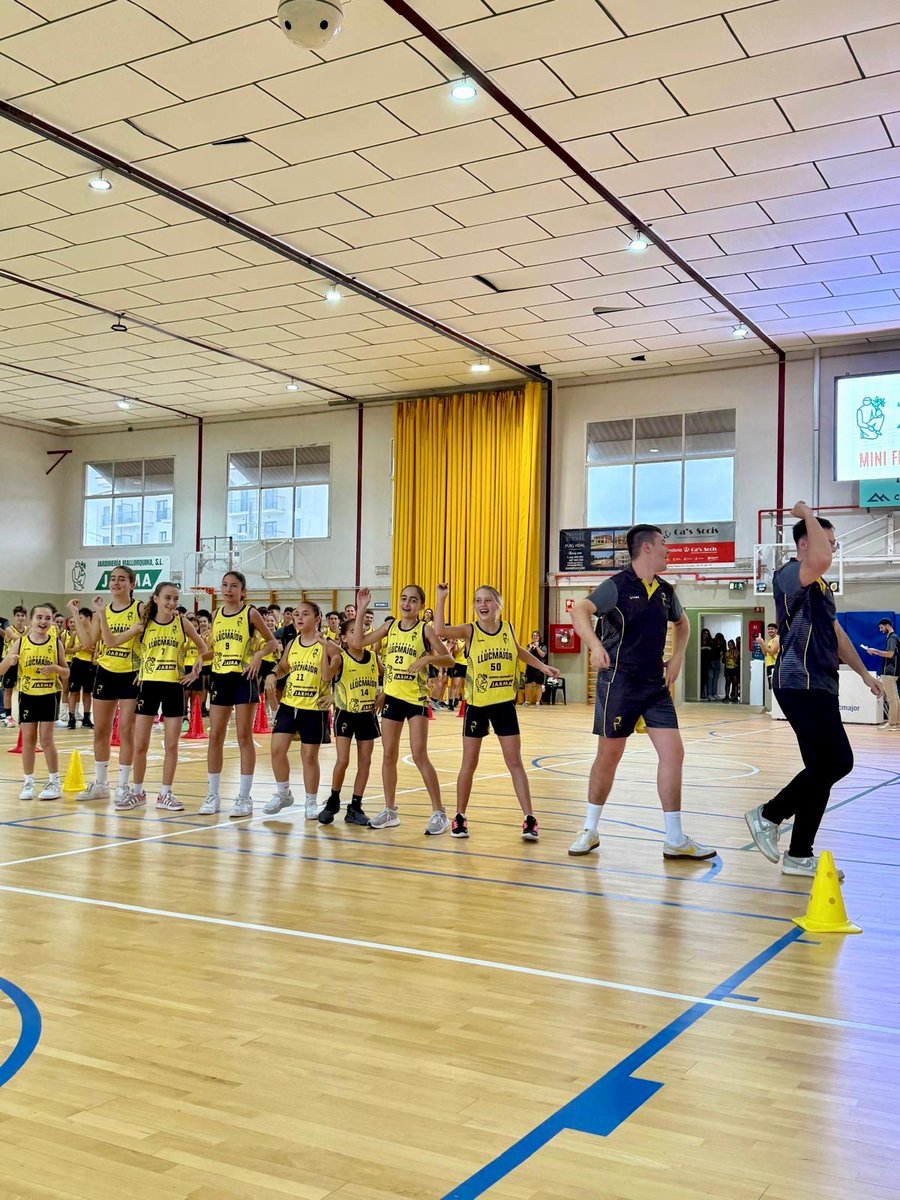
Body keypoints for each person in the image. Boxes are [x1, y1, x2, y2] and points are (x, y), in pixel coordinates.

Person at [745, 503, 882, 877]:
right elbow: (820, 556)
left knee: (820, 768)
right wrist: (806, 512)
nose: (832, 550)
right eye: (828, 542)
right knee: (839, 761)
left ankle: (799, 853)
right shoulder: (790, 575)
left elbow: (837, 636)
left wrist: (865, 675)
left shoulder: (820, 587)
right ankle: (768, 814)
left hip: (819, 683)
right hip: (797, 680)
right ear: (804, 543)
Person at [568, 524, 717, 860]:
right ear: (647, 548)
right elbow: (580, 610)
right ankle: (589, 829)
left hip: (655, 685)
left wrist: (677, 656)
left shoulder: (665, 590)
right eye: (664, 544)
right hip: (619, 682)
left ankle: (675, 838)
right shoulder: (616, 586)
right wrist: (593, 645)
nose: (668, 550)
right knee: (609, 757)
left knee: (673, 753)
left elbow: (683, 623)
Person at [435, 583, 559, 840]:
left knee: (515, 762)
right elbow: (439, 630)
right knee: (469, 764)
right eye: (478, 600)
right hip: (477, 706)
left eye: (488, 600)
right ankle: (460, 816)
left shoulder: (508, 628)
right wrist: (441, 598)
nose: (482, 604)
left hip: (504, 704)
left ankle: (529, 818)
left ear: (498, 605)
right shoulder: (470, 630)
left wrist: (543, 667)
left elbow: (519, 652)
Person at [99, 581, 206, 811]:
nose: (172, 603)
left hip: (174, 687)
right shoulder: (143, 625)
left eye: (176, 599)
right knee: (140, 744)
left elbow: (204, 648)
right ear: (156, 599)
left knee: (171, 746)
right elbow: (110, 642)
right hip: (147, 686)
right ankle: (137, 792)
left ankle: (165, 793)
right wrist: (100, 614)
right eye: (167, 598)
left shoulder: (183, 623)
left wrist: (198, 663)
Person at [357, 584, 454, 832]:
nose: (406, 603)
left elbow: (449, 659)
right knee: (388, 755)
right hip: (392, 698)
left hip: (416, 700)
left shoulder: (426, 630)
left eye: (412, 600)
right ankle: (390, 810)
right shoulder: (390, 626)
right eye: (403, 598)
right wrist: (361, 610)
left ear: (421, 606)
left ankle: (439, 813)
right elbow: (358, 642)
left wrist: (428, 658)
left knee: (419, 754)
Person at [198, 571, 278, 818]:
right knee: (215, 737)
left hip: (244, 678)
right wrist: (201, 658)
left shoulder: (250, 613)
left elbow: (272, 643)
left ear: (242, 590)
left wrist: (257, 656)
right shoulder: (216, 615)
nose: (228, 589)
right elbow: (217, 650)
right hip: (220, 678)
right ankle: (213, 795)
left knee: (244, 736)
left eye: (234, 586)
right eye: (224, 585)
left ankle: (244, 797)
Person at [68, 566, 143, 805]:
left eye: (122, 579)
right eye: (112, 579)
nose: (116, 583)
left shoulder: (140, 609)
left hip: (131, 674)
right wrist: (75, 613)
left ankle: (123, 786)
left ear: (132, 584)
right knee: (101, 730)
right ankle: (101, 784)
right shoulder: (103, 611)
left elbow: (125, 640)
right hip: (105, 673)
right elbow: (89, 643)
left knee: (126, 731)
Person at [263, 601, 340, 818]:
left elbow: (340, 672)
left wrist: (334, 696)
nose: (299, 617)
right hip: (289, 704)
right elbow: (283, 667)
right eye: (296, 613)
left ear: (317, 620)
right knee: (277, 750)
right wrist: (272, 673)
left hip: (314, 707)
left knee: (309, 756)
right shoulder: (292, 643)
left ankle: (311, 802)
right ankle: (283, 793)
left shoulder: (329, 645)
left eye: (305, 614)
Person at [317, 610, 381, 826]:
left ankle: (355, 806)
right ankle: (333, 800)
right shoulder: (341, 658)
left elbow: (389, 677)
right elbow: (326, 677)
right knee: (343, 760)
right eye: (353, 632)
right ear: (343, 638)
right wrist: (325, 651)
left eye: (362, 631)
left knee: (365, 761)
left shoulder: (373, 658)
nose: (359, 635)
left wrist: (383, 694)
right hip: (345, 714)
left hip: (367, 715)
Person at [0, 604, 69, 800]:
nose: (43, 621)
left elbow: (67, 673)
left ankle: (54, 781)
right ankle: (28, 782)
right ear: (31, 620)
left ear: (52, 622)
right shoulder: (20, 643)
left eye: (47, 618)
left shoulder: (56, 644)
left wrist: (56, 668)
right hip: (27, 696)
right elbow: (1, 670)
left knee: (47, 741)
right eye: (39, 617)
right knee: (28, 741)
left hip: (48, 695)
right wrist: (10, 661)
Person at [862, 617, 899, 730]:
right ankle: (897, 722)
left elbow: (890, 654)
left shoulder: (892, 638)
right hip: (894, 671)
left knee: (892, 699)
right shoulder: (895, 637)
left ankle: (892, 723)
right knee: (896, 699)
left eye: (881, 627)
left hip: (889, 672)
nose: (880, 630)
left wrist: (875, 651)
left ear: (887, 625)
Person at [2, 605, 29, 727]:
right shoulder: (9, 629)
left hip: (22, 662)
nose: (20, 618)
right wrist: (31, 628)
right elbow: (19, 639)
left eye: (22, 615)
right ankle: (8, 716)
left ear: (26, 617)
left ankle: (23, 714)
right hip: (9, 661)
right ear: (14, 617)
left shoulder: (27, 628)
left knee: (23, 689)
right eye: (18, 615)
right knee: (9, 689)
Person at [522, 630, 548, 705]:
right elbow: (526, 655)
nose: (535, 637)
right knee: (528, 684)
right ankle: (527, 701)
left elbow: (542, 655)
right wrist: (530, 648)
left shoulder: (543, 646)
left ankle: (537, 702)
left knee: (539, 685)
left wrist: (537, 647)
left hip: (539, 668)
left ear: (539, 637)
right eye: (533, 636)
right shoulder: (529, 645)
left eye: (536, 636)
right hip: (530, 667)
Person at [756, 623, 780, 696]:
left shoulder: (777, 639)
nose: (770, 631)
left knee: (774, 686)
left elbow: (772, 652)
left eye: (772, 629)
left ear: (776, 630)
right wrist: (761, 644)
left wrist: (762, 643)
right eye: (769, 629)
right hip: (769, 664)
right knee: (771, 686)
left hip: (775, 665)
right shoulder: (770, 640)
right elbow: (765, 653)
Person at [723, 639, 739, 703]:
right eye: (728, 645)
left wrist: (732, 656)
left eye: (731, 645)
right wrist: (727, 657)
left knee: (735, 682)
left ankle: (735, 696)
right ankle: (727, 696)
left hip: (734, 668)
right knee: (728, 681)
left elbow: (736, 660)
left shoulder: (737, 652)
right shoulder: (726, 652)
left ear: (734, 645)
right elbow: (725, 661)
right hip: (728, 668)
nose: (730, 646)